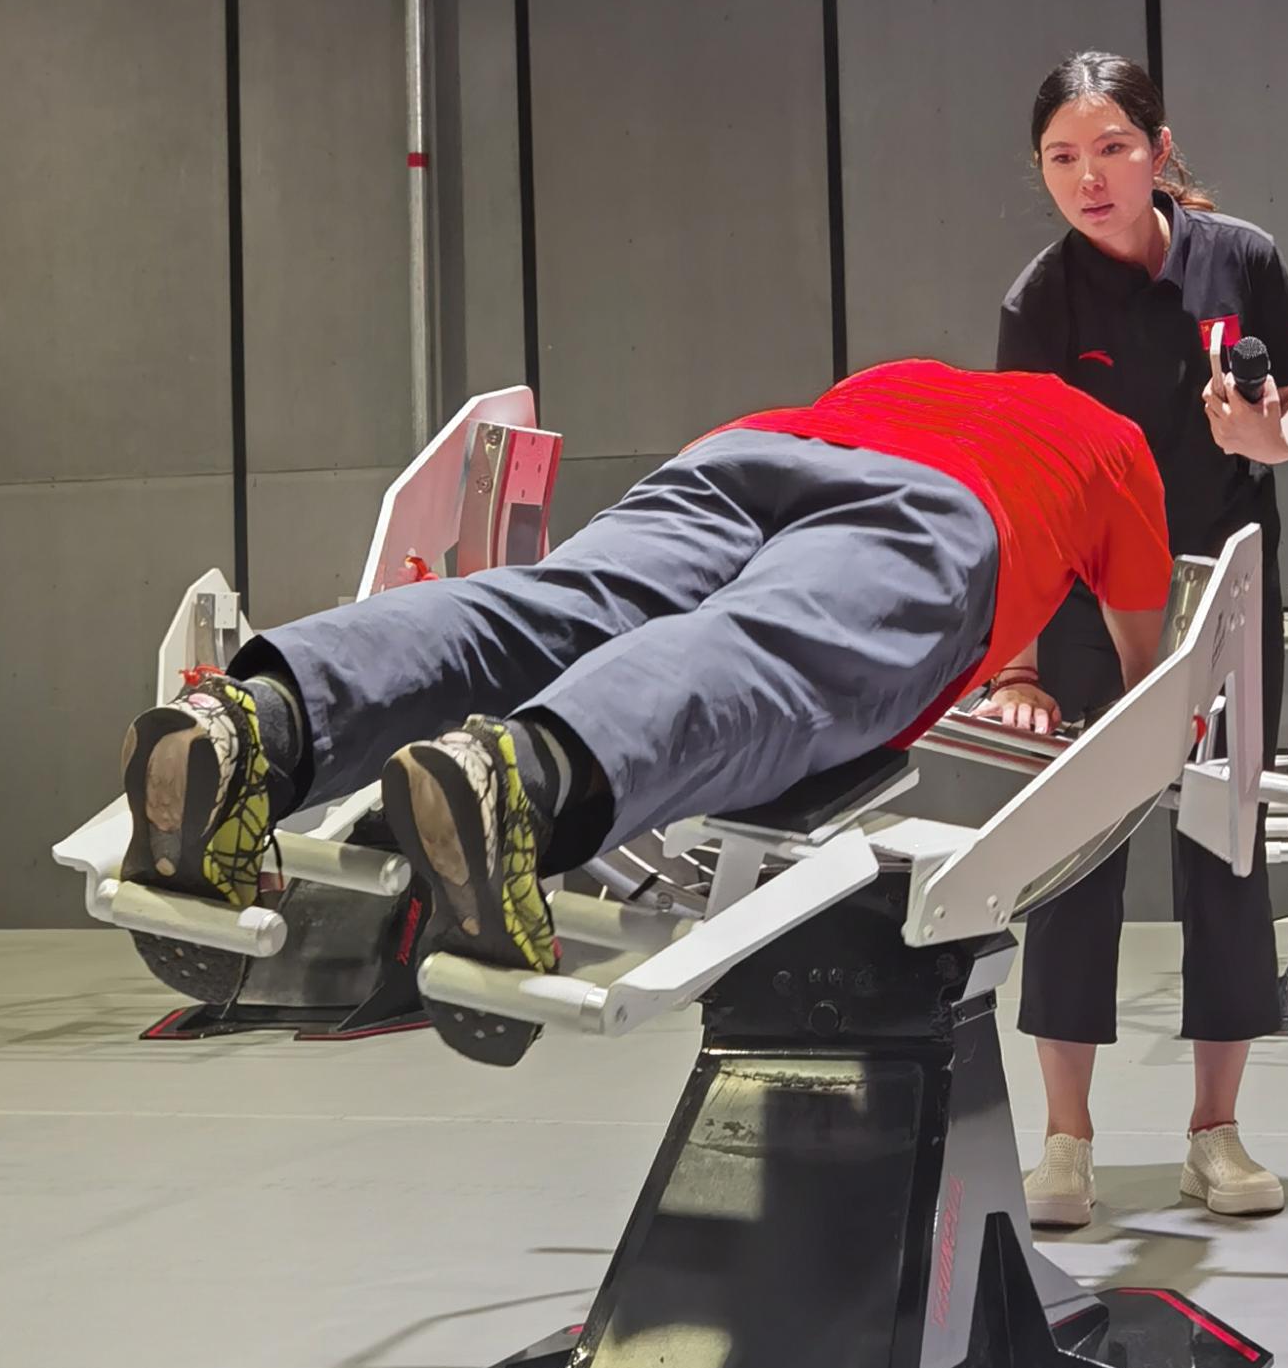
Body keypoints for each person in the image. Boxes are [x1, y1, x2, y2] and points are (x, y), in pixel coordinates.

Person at [116, 362, 1174, 1031]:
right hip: (935, 507)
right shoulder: (1119, 446)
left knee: (548, 606)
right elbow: (1147, 664)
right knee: (767, 651)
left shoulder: (918, 375)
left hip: (750, 449)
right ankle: (518, 781)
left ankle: (255, 720)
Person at [992, 54, 1288, 1233]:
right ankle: (1066, 1142)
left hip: (1222, 598)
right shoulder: (1039, 304)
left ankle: (1214, 1134)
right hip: (1088, 609)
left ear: (1159, 148)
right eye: (1062, 158)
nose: (1089, 178)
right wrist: (1020, 665)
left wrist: (1271, 437)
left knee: (1224, 852)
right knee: (1074, 862)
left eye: (1112, 149)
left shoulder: (1241, 257)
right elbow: (1025, 494)